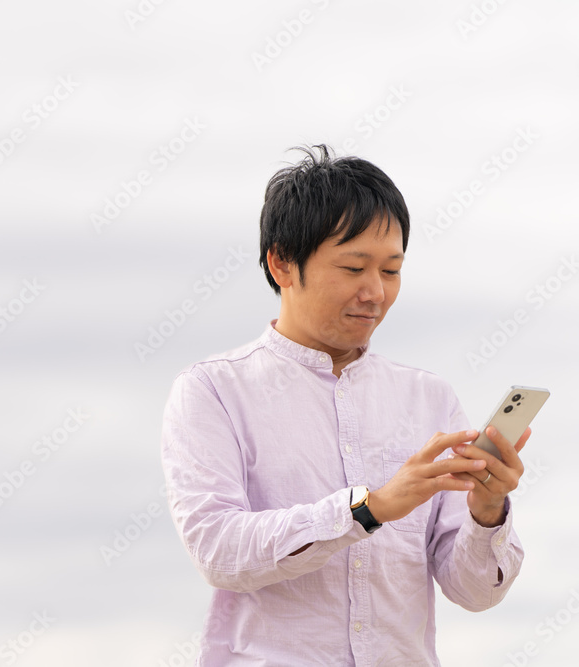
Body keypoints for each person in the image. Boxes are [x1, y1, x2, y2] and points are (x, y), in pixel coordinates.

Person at [160, 145, 528, 665]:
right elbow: (217, 551)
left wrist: (487, 512)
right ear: (282, 263)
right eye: (354, 267)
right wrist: (366, 509)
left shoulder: (429, 398)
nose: (375, 292)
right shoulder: (212, 390)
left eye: (392, 271)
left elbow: (474, 592)